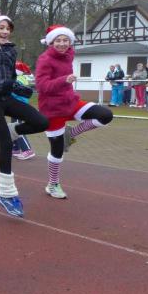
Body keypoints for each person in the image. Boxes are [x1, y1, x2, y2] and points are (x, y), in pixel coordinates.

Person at [0, 15, 48, 217]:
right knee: (5, 143)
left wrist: (20, 88)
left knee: (41, 122)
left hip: (8, 98)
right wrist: (0, 85)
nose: (5, 32)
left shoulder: (11, 50)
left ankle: (13, 131)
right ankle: (6, 194)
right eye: (1, 28)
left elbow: (11, 79)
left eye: (8, 28)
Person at [35, 25, 113, 199]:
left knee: (105, 115)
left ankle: (70, 134)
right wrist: (64, 80)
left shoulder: (69, 55)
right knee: (57, 151)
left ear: (70, 42)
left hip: (71, 102)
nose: (62, 44)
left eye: (66, 40)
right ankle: (53, 184)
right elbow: (41, 86)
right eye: (58, 40)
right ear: (51, 42)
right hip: (53, 109)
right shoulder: (45, 59)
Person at [10, 60, 36, 160]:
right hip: (17, 106)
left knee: (17, 128)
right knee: (14, 127)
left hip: (18, 106)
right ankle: (16, 148)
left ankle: (27, 150)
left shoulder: (17, 80)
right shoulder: (21, 78)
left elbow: (13, 92)